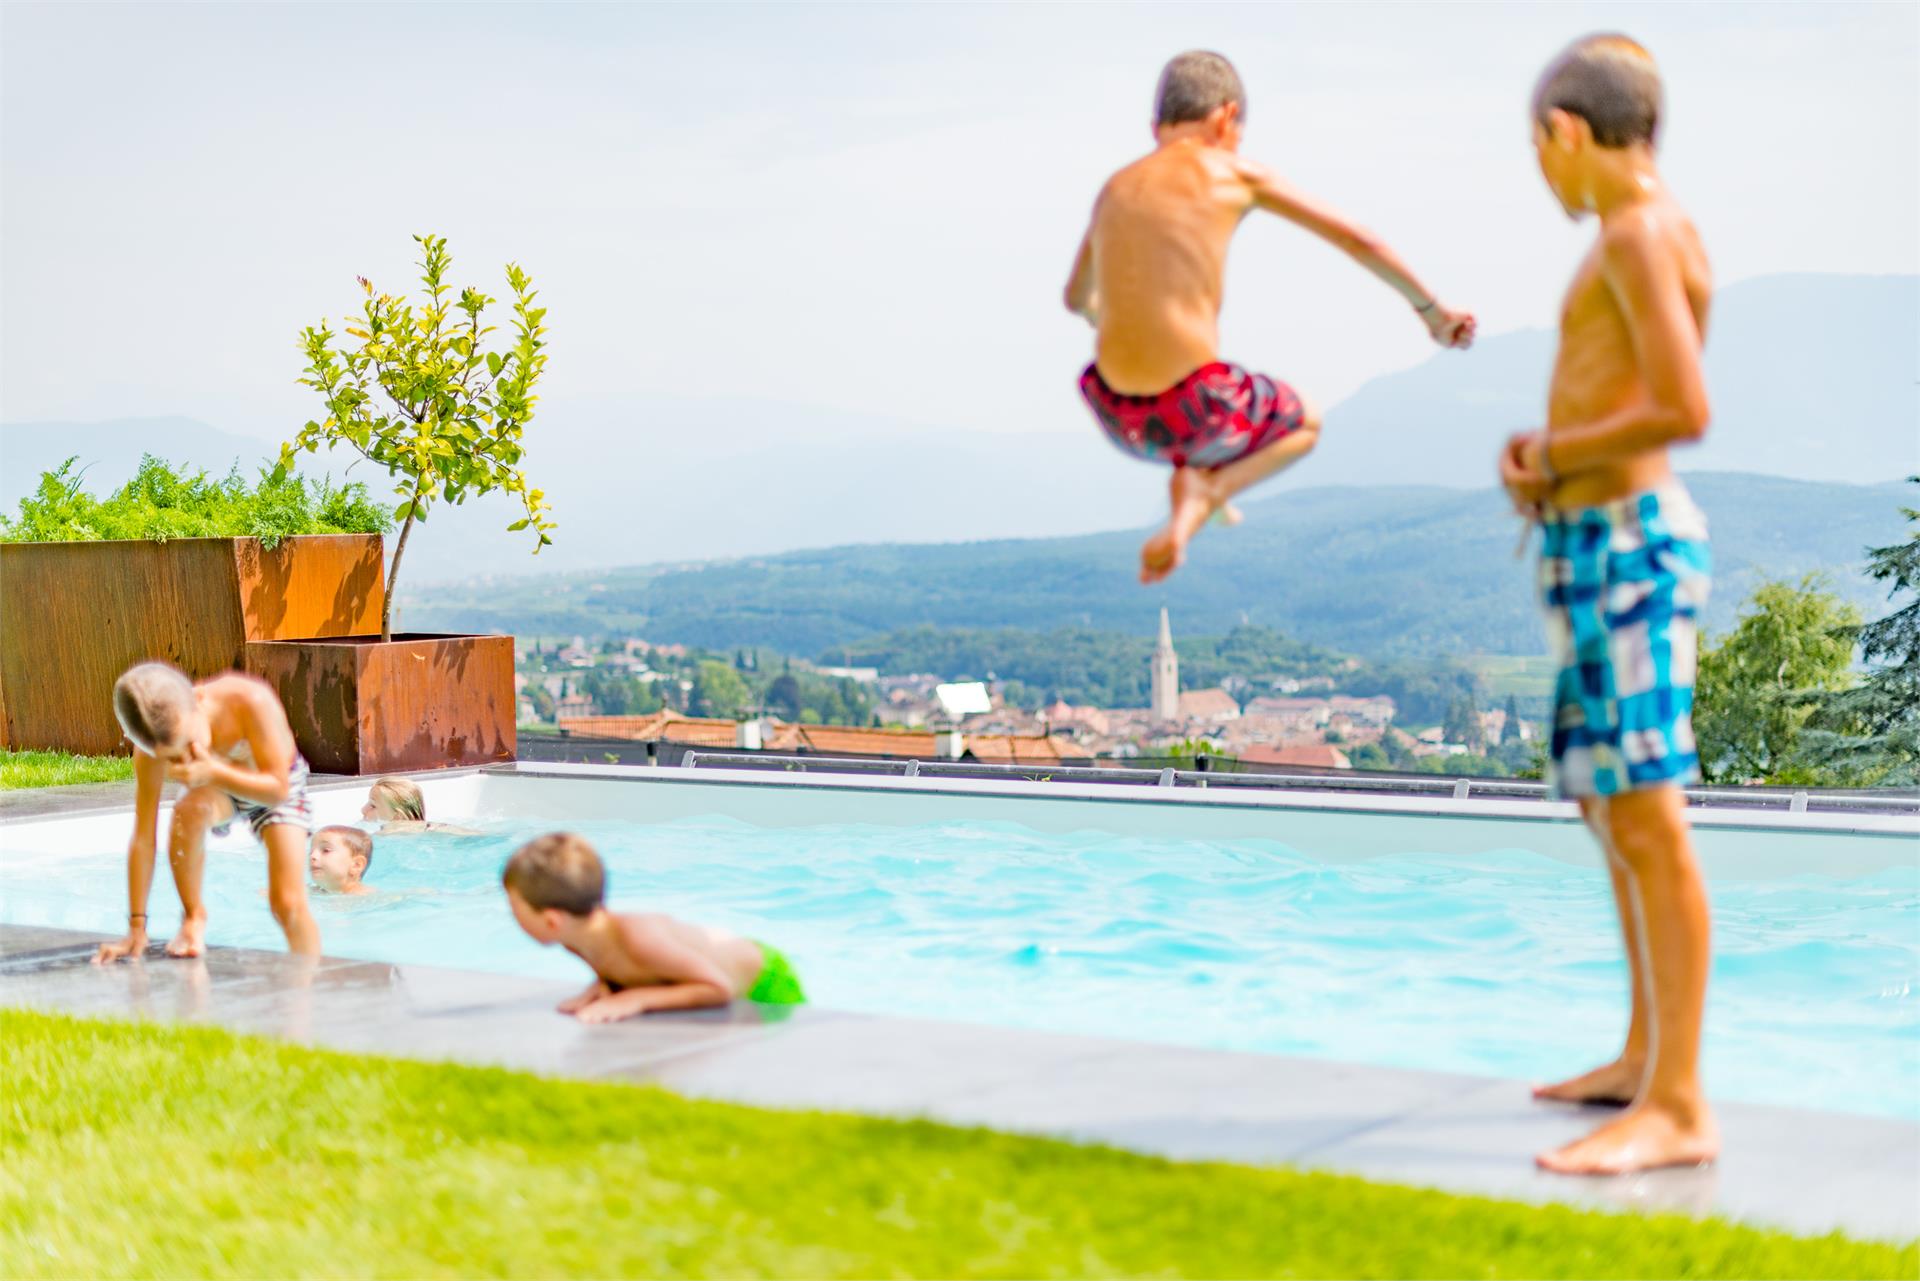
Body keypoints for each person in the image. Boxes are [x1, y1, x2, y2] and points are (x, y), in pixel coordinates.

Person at [1500, 33, 1717, 1175]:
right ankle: (1643, 1061)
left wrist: (1552, 445)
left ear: (1566, 133)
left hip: (1631, 546)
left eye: (1541, 155)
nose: (1545, 178)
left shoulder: (1636, 232)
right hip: (1595, 546)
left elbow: (1685, 403)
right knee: (1608, 808)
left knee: (1648, 814)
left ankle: (1679, 1105)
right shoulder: (1637, 233)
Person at [1066, 50, 1475, 584]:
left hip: (1117, 415)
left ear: (1155, 128)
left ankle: (1194, 482)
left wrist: (1115, 317)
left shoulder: (1114, 189)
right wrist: (1432, 312)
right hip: (1197, 404)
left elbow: (1077, 298)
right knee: (1304, 419)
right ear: (1225, 119)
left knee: (1205, 424)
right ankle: (1207, 492)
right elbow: (1358, 237)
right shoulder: (1232, 170)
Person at [93, 663, 320, 961]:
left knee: (287, 903)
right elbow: (144, 838)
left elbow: (278, 789)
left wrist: (212, 771)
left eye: (188, 743)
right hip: (216, 790)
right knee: (188, 809)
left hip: (274, 786)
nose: (184, 758)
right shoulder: (151, 751)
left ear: (198, 698)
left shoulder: (249, 701)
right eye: (171, 757)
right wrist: (136, 927)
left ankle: (312, 979)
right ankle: (193, 916)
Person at [502, 832, 805, 1022]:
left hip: (765, 979)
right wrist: (604, 987)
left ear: (552, 920)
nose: (511, 915)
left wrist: (636, 999)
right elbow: (621, 969)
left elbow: (718, 987)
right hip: (726, 978)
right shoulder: (575, 939)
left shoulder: (638, 938)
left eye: (515, 907)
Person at [361, 775, 480, 835]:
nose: (363, 809)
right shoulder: (430, 828)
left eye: (373, 806)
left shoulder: (388, 832)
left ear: (398, 816)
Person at [309, 825, 374, 896]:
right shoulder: (309, 891)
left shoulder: (368, 897)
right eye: (311, 852)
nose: (312, 856)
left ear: (356, 865)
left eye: (326, 850)